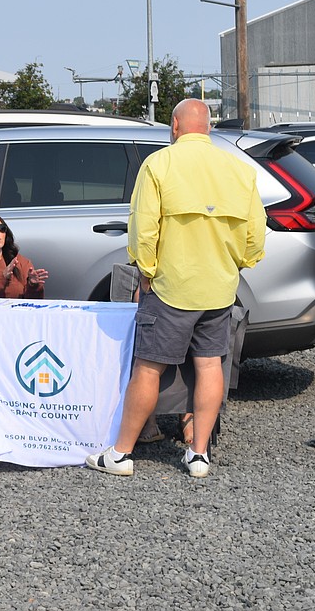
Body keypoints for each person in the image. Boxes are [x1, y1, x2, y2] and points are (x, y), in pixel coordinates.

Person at [87, 99, 265, 479]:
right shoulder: (239, 170)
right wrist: (236, 264)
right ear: (209, 128)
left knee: (148, 369)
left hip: (171, 287)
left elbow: (143, 228)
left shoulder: (159, 164)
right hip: (218, 288)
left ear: (174, 126)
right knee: (210, 366)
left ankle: (121, 454)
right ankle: (198, 455)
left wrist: (146, 272)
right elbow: (255, 234)